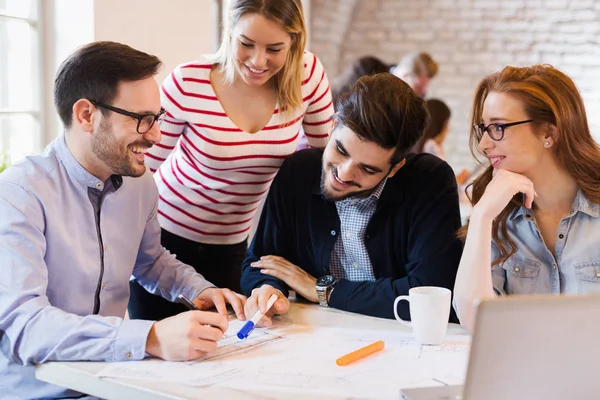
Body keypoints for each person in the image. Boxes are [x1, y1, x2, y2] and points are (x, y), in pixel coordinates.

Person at [0, 41, 247, 400]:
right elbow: (25, 326)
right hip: (40, 393)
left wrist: (200, 291)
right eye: (142, 119)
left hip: (117, 382)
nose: (158, 135)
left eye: (157, 118)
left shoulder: (141, 185)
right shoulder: (19, 194)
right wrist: (150, 338)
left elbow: (151, 261)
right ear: (86, 115)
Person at [129, 0, 334, 321]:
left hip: (233, 246)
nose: (258, 60)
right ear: (229, 32)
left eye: (274, 49)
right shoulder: (189, 82)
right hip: (164, 241)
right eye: (246, 44)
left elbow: (325, 167)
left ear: (294, 43)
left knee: (222, 355)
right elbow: (139, 169)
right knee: (157, 354)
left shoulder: (307, 77)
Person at [240, 73, 463, 323]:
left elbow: (430, 293)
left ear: (396, 167)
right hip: (315, 338)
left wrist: (325, 291)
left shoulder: (429, 179)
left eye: (367, 169)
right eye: (340, 150)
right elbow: (261, 261)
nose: (343, 174)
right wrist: (267, 289)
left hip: (400, 340)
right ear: (333, 126)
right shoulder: (298, 172)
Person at [453, 65, 600, 331]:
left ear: (549, 133)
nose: (484, 144)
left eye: (498, 127)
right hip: (519, 369)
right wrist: (482, 217)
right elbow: (474, 321)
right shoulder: (498, 214)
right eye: (483, 129)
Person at [413, 98, 471, 185]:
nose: (448, 129)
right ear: (441, 124)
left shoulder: (419, 145)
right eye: (447, 124)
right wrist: (458, 182)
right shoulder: (431, 146)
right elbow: (441, 184)